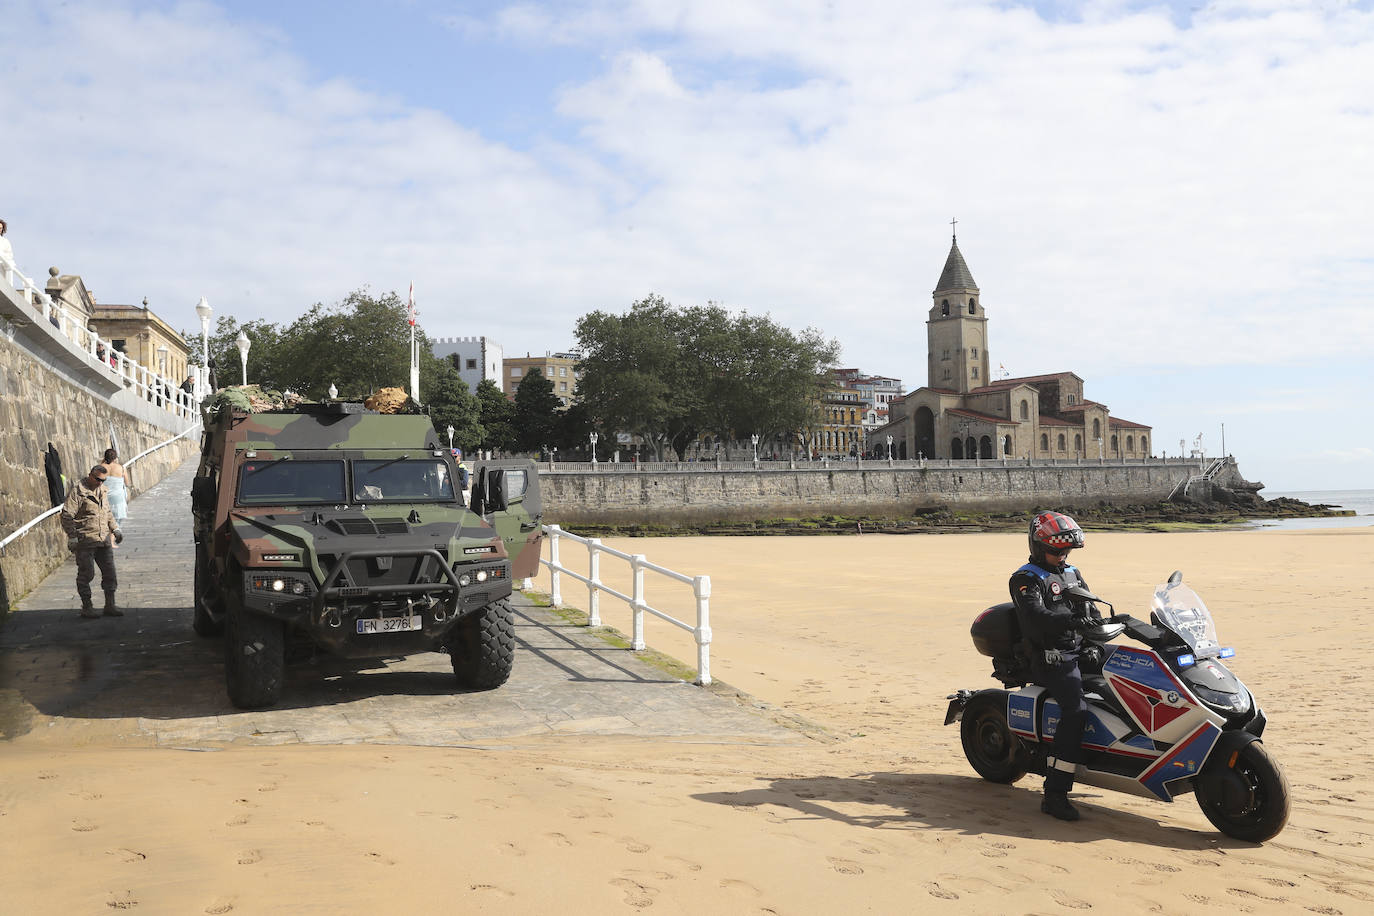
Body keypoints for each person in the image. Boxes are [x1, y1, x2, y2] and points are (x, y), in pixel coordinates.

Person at [1009, 510, 1096, 822]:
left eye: (1066, 551)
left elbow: (1089, 607)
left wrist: (1096, 634)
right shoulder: (1025, 579)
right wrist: (1071, 619)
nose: (1062, 556)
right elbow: (1035, 617)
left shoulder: (1071, 572)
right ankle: (1055, 793)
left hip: (1078, 648)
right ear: (1037, 546)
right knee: (1076, 711)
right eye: (1056, 551)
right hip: (1050, 656)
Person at [60, 464, 124, 618]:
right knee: (86, 574)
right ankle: (87, 607)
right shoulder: (78, 492)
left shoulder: (102, 490)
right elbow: (66, 515)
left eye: (103, 480)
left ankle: (110, 605)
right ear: (90, 475)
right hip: (86, 540)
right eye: (97, 479)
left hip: (103, 540)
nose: (100, 482)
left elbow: (107, 512)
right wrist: (72, 536)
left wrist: (115, 529)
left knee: (110, 573)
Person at [101, 448, 129, 522]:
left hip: (104, 496)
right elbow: (127, 483)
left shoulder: (100, 467)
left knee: (105, 520)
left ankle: (111, 533)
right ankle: (113, 533)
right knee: (116, 522)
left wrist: (102, 463)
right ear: (115, 457)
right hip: (118, 497)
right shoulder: (121, 468)